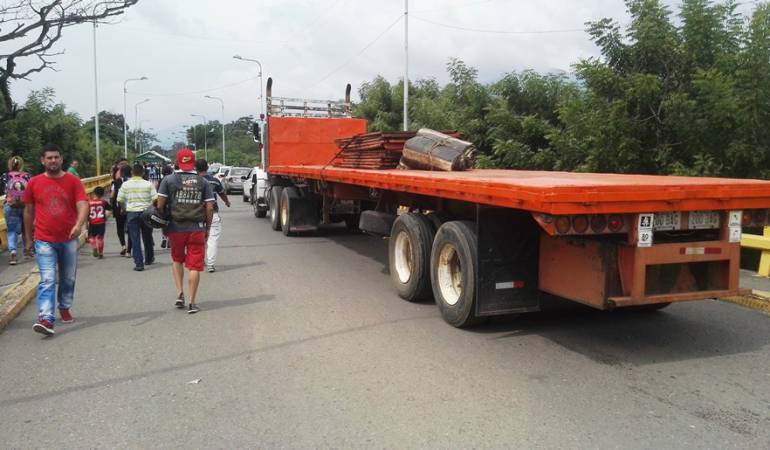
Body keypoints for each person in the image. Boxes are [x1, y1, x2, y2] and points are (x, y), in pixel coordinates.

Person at [24, 144, 89, 336]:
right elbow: (28, 211)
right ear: (42, 160)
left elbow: (82, 203)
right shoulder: (34, 182)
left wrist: (79, 225)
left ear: (61, 160)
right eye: (49, 158)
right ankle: (45, 318)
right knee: (48, 279)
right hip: (44, 238)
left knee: (68, 277)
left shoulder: (72, 181)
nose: (53, 160)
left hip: (68, 238)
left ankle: (64, 307)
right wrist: (28, 239)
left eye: (56, 157)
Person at [157, 149, 214, 314]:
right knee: (195, 265)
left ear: (177, 162)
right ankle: (192, 302)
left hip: (175, 227)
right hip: (196, 228)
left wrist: (162, 222)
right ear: (194, 163)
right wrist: (208, 228)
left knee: (177, 259)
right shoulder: (203, 182)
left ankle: (179, 293)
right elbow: (209, 208)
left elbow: (160, 204)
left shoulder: (168, 180)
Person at [117, 162, 157, 271]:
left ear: (131, 172)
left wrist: (124, 209)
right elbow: (155, 198)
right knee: (147, 236)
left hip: (132, 213)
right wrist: (151, 208)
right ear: (143, 173)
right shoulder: (148, 184)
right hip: (146, 213)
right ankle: (149, 258)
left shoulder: (125, 184)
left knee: (135, 238)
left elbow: (120, 199)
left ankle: (139, 263)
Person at [196, 159, 231, 272]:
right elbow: (222, 193)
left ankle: (199, 261)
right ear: (207, 168)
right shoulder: (214, 181)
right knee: (213, 239)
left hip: (196, 213)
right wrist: (227, 202)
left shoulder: (193, 181)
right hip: (213, 213)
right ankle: (210, 264)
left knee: (198, 238)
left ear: (195, 168)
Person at [2, 156, 31, 265]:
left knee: (11, 230)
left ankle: (13, 253)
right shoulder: (27, 176)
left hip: (11, 206)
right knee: (25, 229)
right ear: (21, 164)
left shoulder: (5, 176)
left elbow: (5, 190)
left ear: (10, 165)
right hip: (25, 206)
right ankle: (27, 251)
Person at [111, 164, 132, 256]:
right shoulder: (133, 182)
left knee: (120, 227)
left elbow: (112, 196)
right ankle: (129, 251)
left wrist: (113, 206)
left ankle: (123, 246)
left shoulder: (116, 182)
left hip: (119, 208)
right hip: (131, 208)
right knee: (131, 229)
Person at [87, 186, 111, 258]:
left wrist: (86, 222)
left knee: (91, 237)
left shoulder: (89, 203)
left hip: (92, 222)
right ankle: (100, 254)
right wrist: (106, 217)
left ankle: (94, 245)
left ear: (94, 193)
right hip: (101, 222)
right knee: (100, 238)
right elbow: (110, 210)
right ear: (103, 194)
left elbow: (87, 213)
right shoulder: (103, 202)